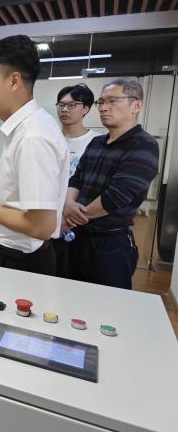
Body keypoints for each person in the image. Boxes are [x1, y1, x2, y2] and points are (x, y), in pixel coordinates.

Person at [0, 35, 69, 276]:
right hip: (9, 254)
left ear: (14, 81)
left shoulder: (33, 136)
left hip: (20, 261)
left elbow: (41, 226)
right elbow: (16, 195)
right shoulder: (26, 128)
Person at [64, 78, 159, 289]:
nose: (104, 107)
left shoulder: (144, 145)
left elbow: (116, 196)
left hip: (110, 243)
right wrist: (69, 203)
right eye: (101, 102)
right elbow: (77, 178)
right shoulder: (97, 142)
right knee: (69, 296)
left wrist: (72, 217)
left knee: (107, 304)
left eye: (113, 100)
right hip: (77, 237)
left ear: (136, 105)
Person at [52, 84, 100, 278]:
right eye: (61, 104)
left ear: (86, 109)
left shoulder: (97, 142)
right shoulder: (49, 138)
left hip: (80, 220)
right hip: (48, 217)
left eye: (72, 105)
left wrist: (72, 217)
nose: (64, 109)